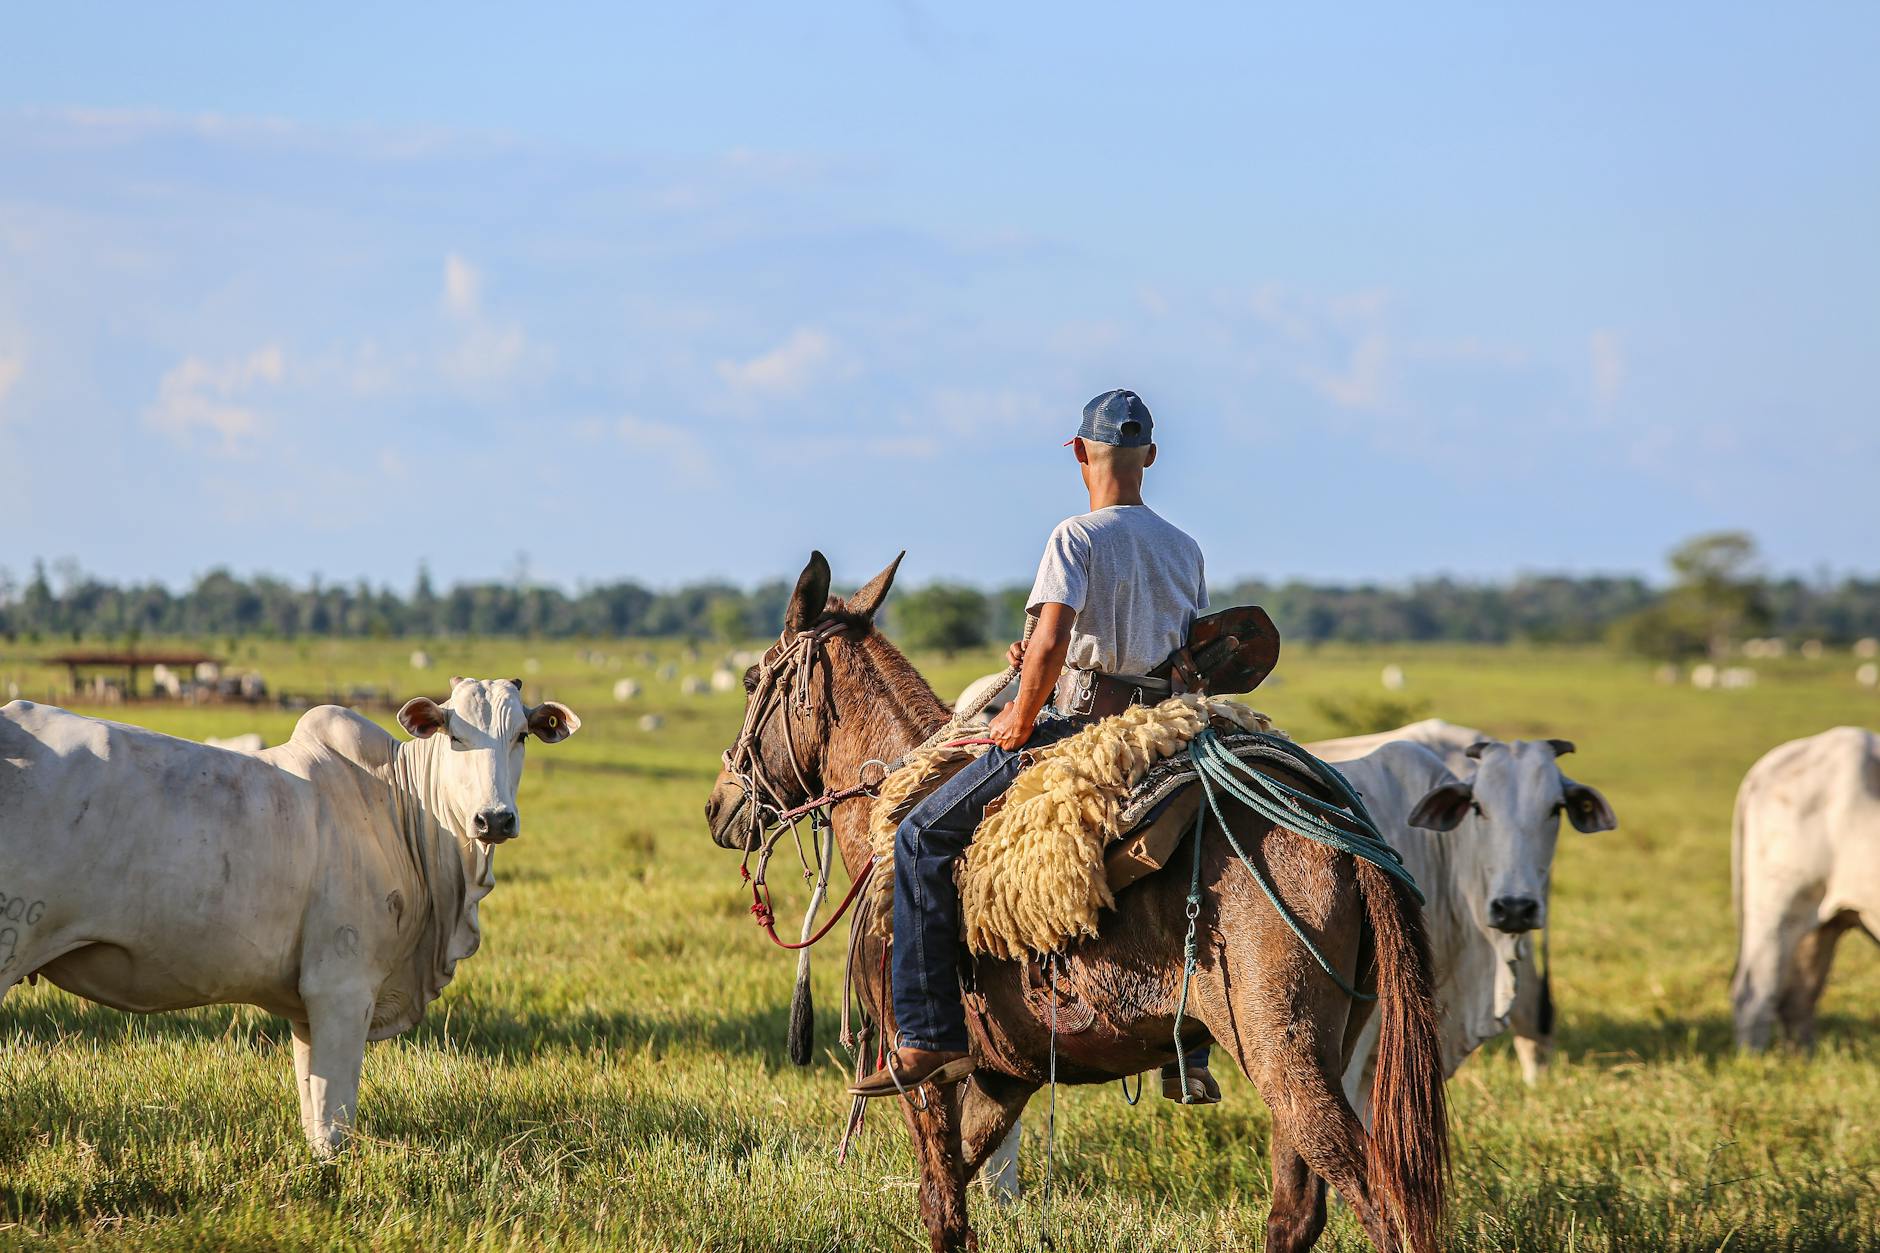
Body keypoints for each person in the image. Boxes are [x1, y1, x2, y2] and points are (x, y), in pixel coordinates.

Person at [850, 388, 1220, 1102]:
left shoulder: (1074, 538)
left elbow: (1054, 641)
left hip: (1081, 728)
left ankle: (930, 1035)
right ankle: (1189, 1046)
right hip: (1161, 731)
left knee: (920, 836)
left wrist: (1020, 713)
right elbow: (1180, 656)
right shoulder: (1186, 547)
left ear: (1080, 453)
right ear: (1150, 457)